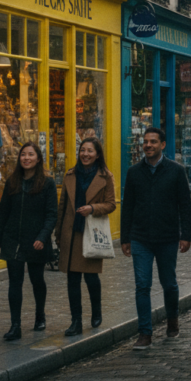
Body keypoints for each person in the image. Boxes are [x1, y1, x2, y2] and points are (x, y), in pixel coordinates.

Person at [121, 127, 191, 350]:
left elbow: (185, 205)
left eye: (153, 142)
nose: (148, 145)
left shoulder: (175, 170)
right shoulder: (134, 172)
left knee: (168, 283)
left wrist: (186, 235)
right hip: (141, 237)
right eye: (145, 142)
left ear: (163, 145)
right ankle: (145, 332)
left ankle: (172, 319)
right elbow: (128, 206)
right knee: (142, 285)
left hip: (167, 237)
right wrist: (125, 238)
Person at [0, 141, 59, 341]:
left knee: (37, 279)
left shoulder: (48, 183)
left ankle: (40, 315)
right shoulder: (12, 181)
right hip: (13, 238)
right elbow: (3, 213)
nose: (26, 158)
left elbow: (51, 215)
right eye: (23, 155)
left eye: (30, 155)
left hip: (36, 240)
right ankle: (15, 325)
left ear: (38, 159)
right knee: (15, 282)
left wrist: (42, 237)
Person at [55, 137, 116, 337]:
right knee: (72, 280)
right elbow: (62, 205)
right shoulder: (70, 175)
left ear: (97, 154)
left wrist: (92, 208)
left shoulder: (106, 176)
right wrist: (58, 234)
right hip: (71, 233)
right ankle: (76, 321)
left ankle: (96, 311)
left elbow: (111, 204)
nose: (85, 154)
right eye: (82, 150)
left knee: (91, 278)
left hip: (91, 233)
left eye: (90, 151)